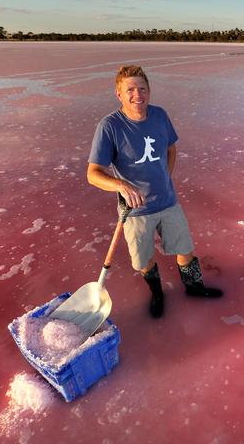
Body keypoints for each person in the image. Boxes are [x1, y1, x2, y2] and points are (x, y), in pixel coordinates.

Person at [87, 65, 222, 318]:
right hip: (136, 210)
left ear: (149, 91)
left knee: (185, 249)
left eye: (142, 88)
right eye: (130, 89)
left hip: (168, 201)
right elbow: (93, 173)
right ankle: (157, 292)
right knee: (142, 260)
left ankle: (194, 287)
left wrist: (165, 177)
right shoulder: (109, 127)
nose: (137, 94)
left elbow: (171, 148)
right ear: (119, 94)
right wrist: (121, 185)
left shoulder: (160, 115)